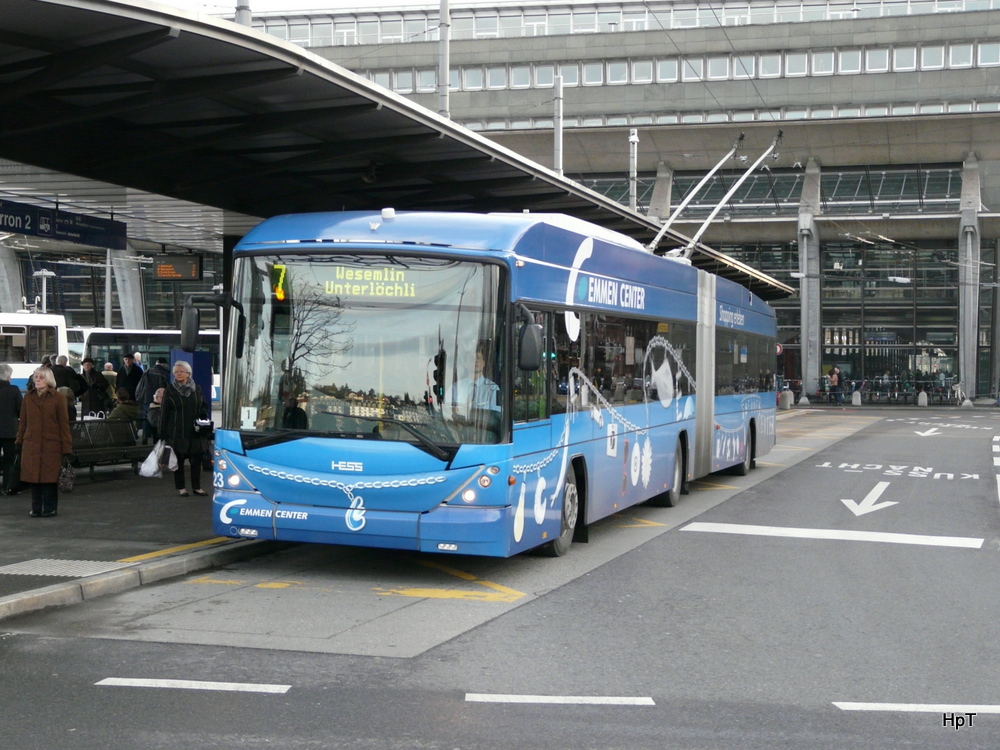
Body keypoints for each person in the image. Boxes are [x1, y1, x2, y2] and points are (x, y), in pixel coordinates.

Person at [16, 367, 73, 517]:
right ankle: (36, 508)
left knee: (49, 477)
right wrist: (19, 440)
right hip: (32, 443)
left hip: (51, 444)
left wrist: (67, 447)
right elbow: (23, 421)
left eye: (41, 377)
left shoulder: (58, 397)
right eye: (36, 377)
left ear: (48, 379)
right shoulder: (28, 396)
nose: (37, 380)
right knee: (33, 477)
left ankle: (50, 508)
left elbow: (63, 424)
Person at [159, 360, 209, 497]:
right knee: (179, 460)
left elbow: (203, 404)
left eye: (181, 371)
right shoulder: (170, 389)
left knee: (196, 459)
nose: (178, 374)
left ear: (188, 373)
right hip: (177, 430)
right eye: (176, 372)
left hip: (194, 430)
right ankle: (181, 488)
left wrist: (202, 413)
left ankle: (197, 487)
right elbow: (164, 412)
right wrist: (162, 433)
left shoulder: (196, 388)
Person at [136, 357, 170, 443]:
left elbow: (140, 387)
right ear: (164, 364)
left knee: (146, 418)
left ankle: (145, 438)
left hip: (146, 399)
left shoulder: (147, 372)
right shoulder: (165, 373)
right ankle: (157, 440)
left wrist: (139, 397)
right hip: (159, 399)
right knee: (158, 419)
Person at [0, 364, 22, 495]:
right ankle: (7, 487)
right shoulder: (14, 390)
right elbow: (21, 410)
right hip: (9, 431)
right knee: (9, 460)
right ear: (8, 376)